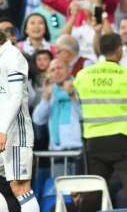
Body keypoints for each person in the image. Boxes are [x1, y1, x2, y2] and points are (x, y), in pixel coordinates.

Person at [73, 33, 127, 210]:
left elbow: (80, 105)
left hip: (94, 140)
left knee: (93, 190)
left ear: (100, 49)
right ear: (119, 49)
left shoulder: (82, 75)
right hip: (125, 139)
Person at [0, 28, 39, 212]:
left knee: (20, 187)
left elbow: (15, 97)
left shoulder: (12, 56)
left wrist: (3, 129)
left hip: (15, 133)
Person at [32, 59, 82, 151]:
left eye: (59, 68)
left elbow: (83, 116)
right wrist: (46, 97)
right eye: (52, 70)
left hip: (77, 149)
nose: (56, 72)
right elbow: (38, 119)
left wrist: (72, 96)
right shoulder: (49, 91)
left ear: (69, 70)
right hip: (56, 150)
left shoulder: (79, 86)